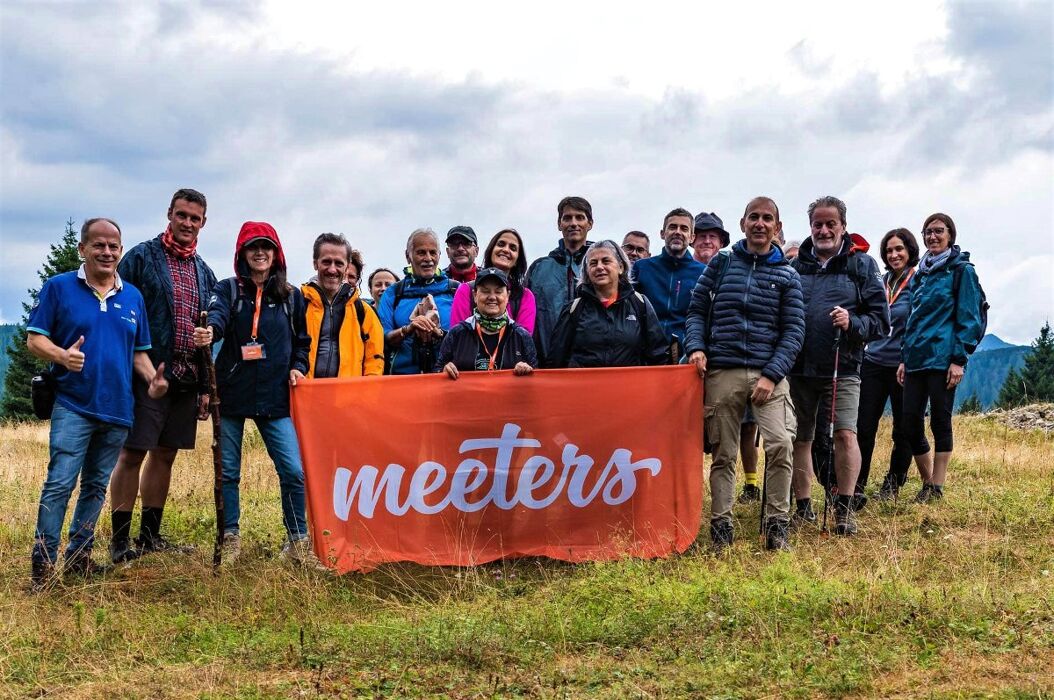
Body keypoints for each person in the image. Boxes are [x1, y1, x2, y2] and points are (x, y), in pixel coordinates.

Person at [28, 218, 167, 589]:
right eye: (99, 245)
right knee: (60, 483)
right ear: (83, 249)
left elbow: (138, 353)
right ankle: (43, 565)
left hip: (118, 409)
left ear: (120, 251)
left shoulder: (133, 296)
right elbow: (34, 339)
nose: (107, 252)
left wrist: (153, 380)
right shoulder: (59, 288)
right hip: (73, 404)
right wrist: (61, 356)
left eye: (114, 247)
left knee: (94, 486)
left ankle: (79, 558)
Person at [684, 197, 805, 551]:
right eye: (754, 217)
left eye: (768, 218)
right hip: (723, 369)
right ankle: (721, 526)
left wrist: (772, 374)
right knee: (724, 452)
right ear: (742, 223)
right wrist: (696, 347)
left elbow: (794, 332)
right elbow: (696, 310)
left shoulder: (787, 275)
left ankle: (777, 524)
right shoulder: (721, 265)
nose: (760, 224)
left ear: (777, 227)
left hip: (771, 374)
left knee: (781, 445)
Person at [194, 221, 317, 565]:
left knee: (293, 470)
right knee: (228, 470)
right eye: (252, 247)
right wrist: (210, 332)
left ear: (276, 253)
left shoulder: (292, 296)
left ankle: (298, 541)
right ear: (242, 254)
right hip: (231, 393)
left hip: (275, 395)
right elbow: (216, 317)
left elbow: (303, 342)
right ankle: (229, 537)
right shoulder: (228, 289)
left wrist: (299, 367)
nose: (260, 253)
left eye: (266, 246)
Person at [107, 188, 216, 563]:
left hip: (187, 377)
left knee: (165, 454)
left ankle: (150, 536)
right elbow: (118, 307)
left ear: (203, 223)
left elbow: (206, 332)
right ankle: (120, 542)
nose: (187, 223)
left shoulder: (205, 271)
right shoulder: (140, 257)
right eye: (182, 215)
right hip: (147, 374)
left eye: (195, 218)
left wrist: (204, 386)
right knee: (133, 451)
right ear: (169, 213)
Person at [789, 196, 889, 536]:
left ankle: (844, 508)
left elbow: (881, 321)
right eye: (818, 223)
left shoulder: (861, 265)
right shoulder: (795, 266)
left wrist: (852, 323)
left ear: (843, 226)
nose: (824, 229)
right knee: (799, 438)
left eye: (831, 223)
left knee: (845, 434)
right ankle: (803, 507)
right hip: (799, 367)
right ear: (810, 227)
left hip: (842, 366)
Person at [899, 213, 985, 503]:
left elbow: (969, 317)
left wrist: (959, 359)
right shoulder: (921, 273)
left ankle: (937, 486)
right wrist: (903, 358)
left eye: (938, 231)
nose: (932, 237)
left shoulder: (962, 271)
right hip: (915, 359)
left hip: (943, 359)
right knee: (909, 423)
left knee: (940, 421)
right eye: (927, 232)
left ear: (950, 235)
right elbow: (912, 319)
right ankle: (927, 482)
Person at [856, 229, 931, 502]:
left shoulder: (919, 282)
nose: (894, 254)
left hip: (904, 366)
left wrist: (908, 358)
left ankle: (893, 483)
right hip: (873, 362)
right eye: (889, 250)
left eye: (899, 249)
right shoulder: (881, 281)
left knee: (904, 429)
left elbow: (922, 323)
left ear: (910, 250)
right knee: (863, 427)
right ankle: (857, 485)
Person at [546, 240, 668, 368]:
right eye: (593, 263)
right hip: (583, 387)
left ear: (621, 267)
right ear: (587, 271)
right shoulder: (574, 309)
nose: (599, 267)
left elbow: (659, 355)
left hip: (629, 387)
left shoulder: (639, 304)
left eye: (606, 261)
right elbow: (556, 360)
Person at [301, 233, 385, 378]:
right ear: (315, 263)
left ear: (346, 267)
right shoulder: (299, 303)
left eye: (339, 263)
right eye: (326, 262)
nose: (332, 269)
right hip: (305, 395)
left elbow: (375, 358)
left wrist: (369, 391)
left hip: (349, 397)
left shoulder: (363, 311)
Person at [377, 228, 459, 375]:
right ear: (408, 256)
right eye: (421, 252)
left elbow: (470, 336)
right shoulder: (393, 293)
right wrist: (408, 330)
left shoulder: (456, 290)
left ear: (439, 256)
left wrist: (440, 334)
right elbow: (382, 337)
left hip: (447, 378)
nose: (428, 258)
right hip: (403, 380)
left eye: (433, 252)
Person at [526, 196, 594, 365]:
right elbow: (525, 315)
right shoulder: (538, 268)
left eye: (580, 217)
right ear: (559, 224)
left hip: (591, 366)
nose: (573, 223)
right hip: (546, 364)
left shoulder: (601, 266)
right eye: (567, 218)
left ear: (590, 224)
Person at [630, 207, 706, 358]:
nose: (678, 231)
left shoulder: (704, 273)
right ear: (662, 233)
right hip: (644, 354)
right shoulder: (642, 268)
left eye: (684, 228)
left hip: (685, 356)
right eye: (672, 227)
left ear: (691, 237)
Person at [436, 267, 538, 378]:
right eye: (485, 291)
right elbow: (437, 370)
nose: (492, 297)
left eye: (498, 291)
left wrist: (527, 370)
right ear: (475, 295)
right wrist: (443, 370)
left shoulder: (521, 336)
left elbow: (536, 380)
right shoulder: (457, 333)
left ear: (508, 296)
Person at [449, 228, 537, 333]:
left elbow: (522, 343)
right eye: (501, 244)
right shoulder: (466, 291)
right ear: (491, 251)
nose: (506, 249)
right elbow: (457, 338)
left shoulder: (525, 297)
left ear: (517, 260)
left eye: (513, 248)